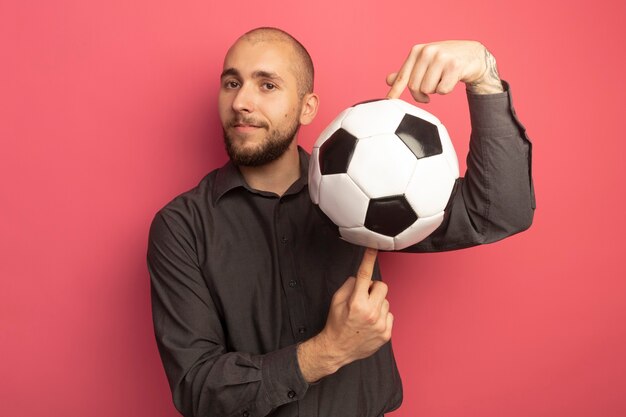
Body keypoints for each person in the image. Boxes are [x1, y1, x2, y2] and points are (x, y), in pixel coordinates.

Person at [147, 27, 535, 417]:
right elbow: (197, 389)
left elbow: (497, 212)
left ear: (307, 107)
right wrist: (327, 352)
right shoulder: (183, 227)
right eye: (232, 83)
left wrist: (484, 76)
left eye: (267, 85)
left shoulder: (372, 188)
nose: (241, 102)